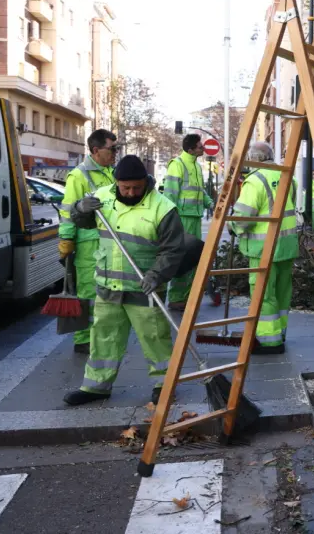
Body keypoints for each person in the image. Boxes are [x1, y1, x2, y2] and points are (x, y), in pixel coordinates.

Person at [63, 155, 186, 406]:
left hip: (144, 287)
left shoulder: (162, 208)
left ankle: (164, 384)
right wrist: (79, 209)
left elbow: (172, 250)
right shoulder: (103, 196)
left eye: (136, 188)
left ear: (146, 183)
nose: (130, 193)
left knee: (155, 338)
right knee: (104, 338)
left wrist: (156, 275)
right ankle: (96, 386)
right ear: (117, 183)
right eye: (125, 188)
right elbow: (84, 221)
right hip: (108, 285)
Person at [228, 142, 298, 353]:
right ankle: (280, 333)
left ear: (254, 159)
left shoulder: (255, 181)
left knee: (264, 294)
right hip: (286, 245)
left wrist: (232, 226)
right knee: (283, 292)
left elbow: (242, 218)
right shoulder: (288, 177)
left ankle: (269, 341)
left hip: (263, 249)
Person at [58, 129, 118, 354]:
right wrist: (66, 241)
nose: (115, 153)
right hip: (87, 244)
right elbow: (67, 211)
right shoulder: (79, 175)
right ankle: (83, 339)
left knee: (105, 291)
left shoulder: (111, 173)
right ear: (96, 150)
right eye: (112, 149)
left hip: (108, 242)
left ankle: (100, 334)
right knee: (87, 292)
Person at [162, 134, 214, 311]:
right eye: (200, 146)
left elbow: (200, 191)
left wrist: (211, 203)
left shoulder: (197, 166)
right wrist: (172, 219)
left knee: (193, 256)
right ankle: (176, 298)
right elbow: (170, 195)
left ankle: (187, 297)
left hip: (195, 217)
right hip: (182, 218)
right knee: (182, 258)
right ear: (191, 149)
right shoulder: (177, 165)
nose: (203, 148)